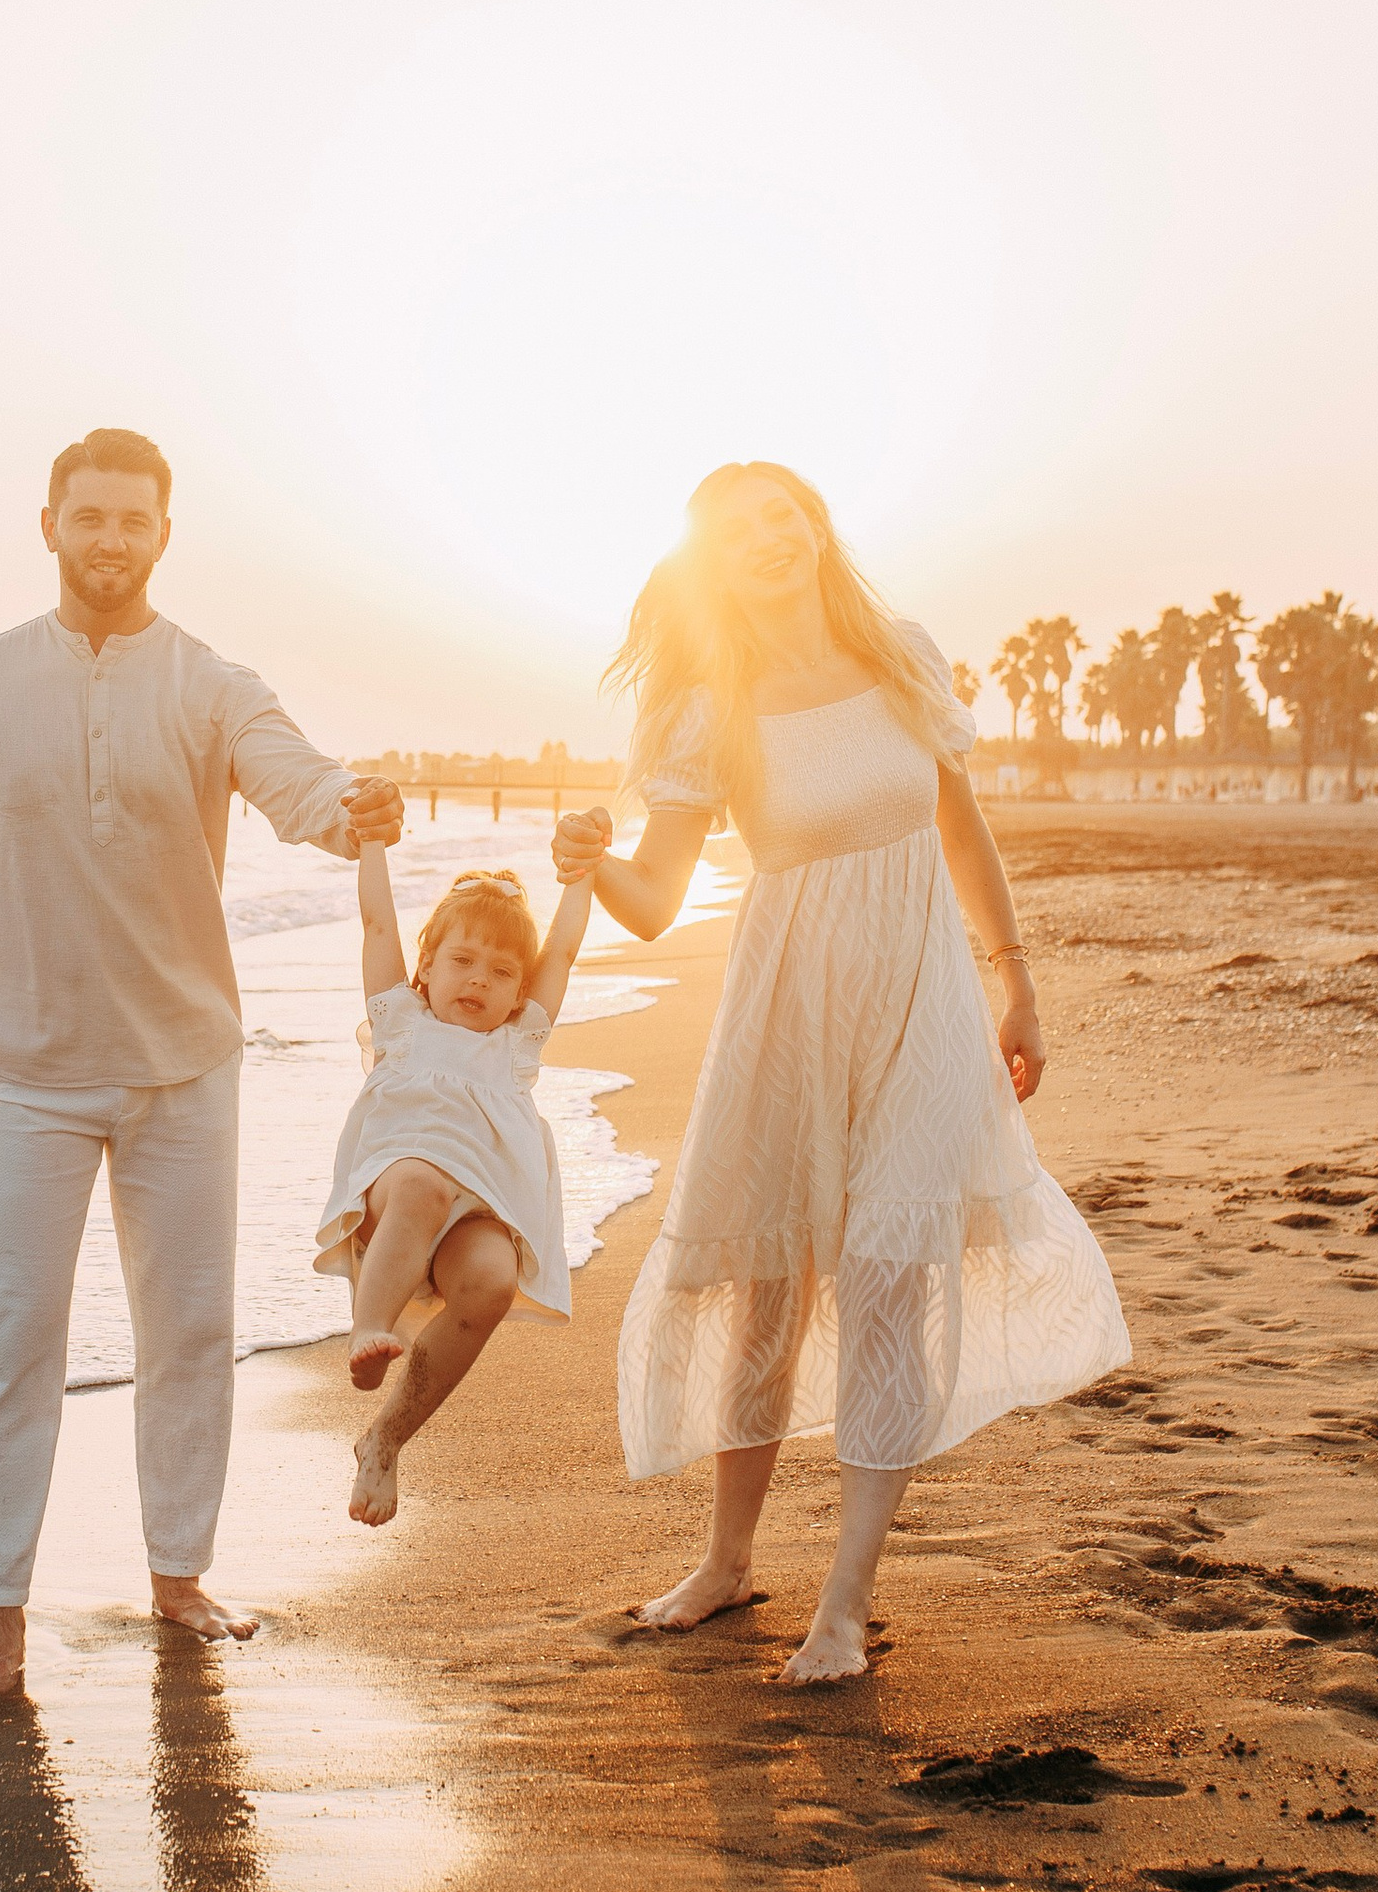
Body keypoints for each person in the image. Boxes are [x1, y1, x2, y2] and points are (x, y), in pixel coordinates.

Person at [0, 427, 403, 1696]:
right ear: (47, 524)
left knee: (190, 1331)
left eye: (131, 521)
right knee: (8, 1338)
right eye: (86, 516)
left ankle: (178, 1577)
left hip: (184, 1065)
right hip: (23, 1072)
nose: (108, 540)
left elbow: (300, 785)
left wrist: (351, 807)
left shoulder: (211, 682)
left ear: (162, 534)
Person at [551, 461, 1129, 1684]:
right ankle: (726, 1561)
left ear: (816, 528)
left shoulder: (902, 656)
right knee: (768, 1282)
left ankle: (845, 1608)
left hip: (921, 1008)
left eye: (786, 514)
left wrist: (1014, 978)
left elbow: (958, 826)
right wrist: (589, 863)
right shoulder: (712, 707)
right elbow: (654, 901)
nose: (770, 537)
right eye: (739, 529)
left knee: (886, 1281)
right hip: (787, 1016)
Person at [314, 852, 594, 1527]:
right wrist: (374, 845)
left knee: (492, 1283)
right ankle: (371, 1328)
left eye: (502, 973)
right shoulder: (402, 1025)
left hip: (478, 1209)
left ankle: (385, 1439)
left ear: (519, 991)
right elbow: (377, 924)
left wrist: (582, 871)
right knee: (421, 1186)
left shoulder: (515, 1043)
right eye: (462, 961)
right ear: (427, 968)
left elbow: (561, 950)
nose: (479, 980)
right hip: (397, 1192)